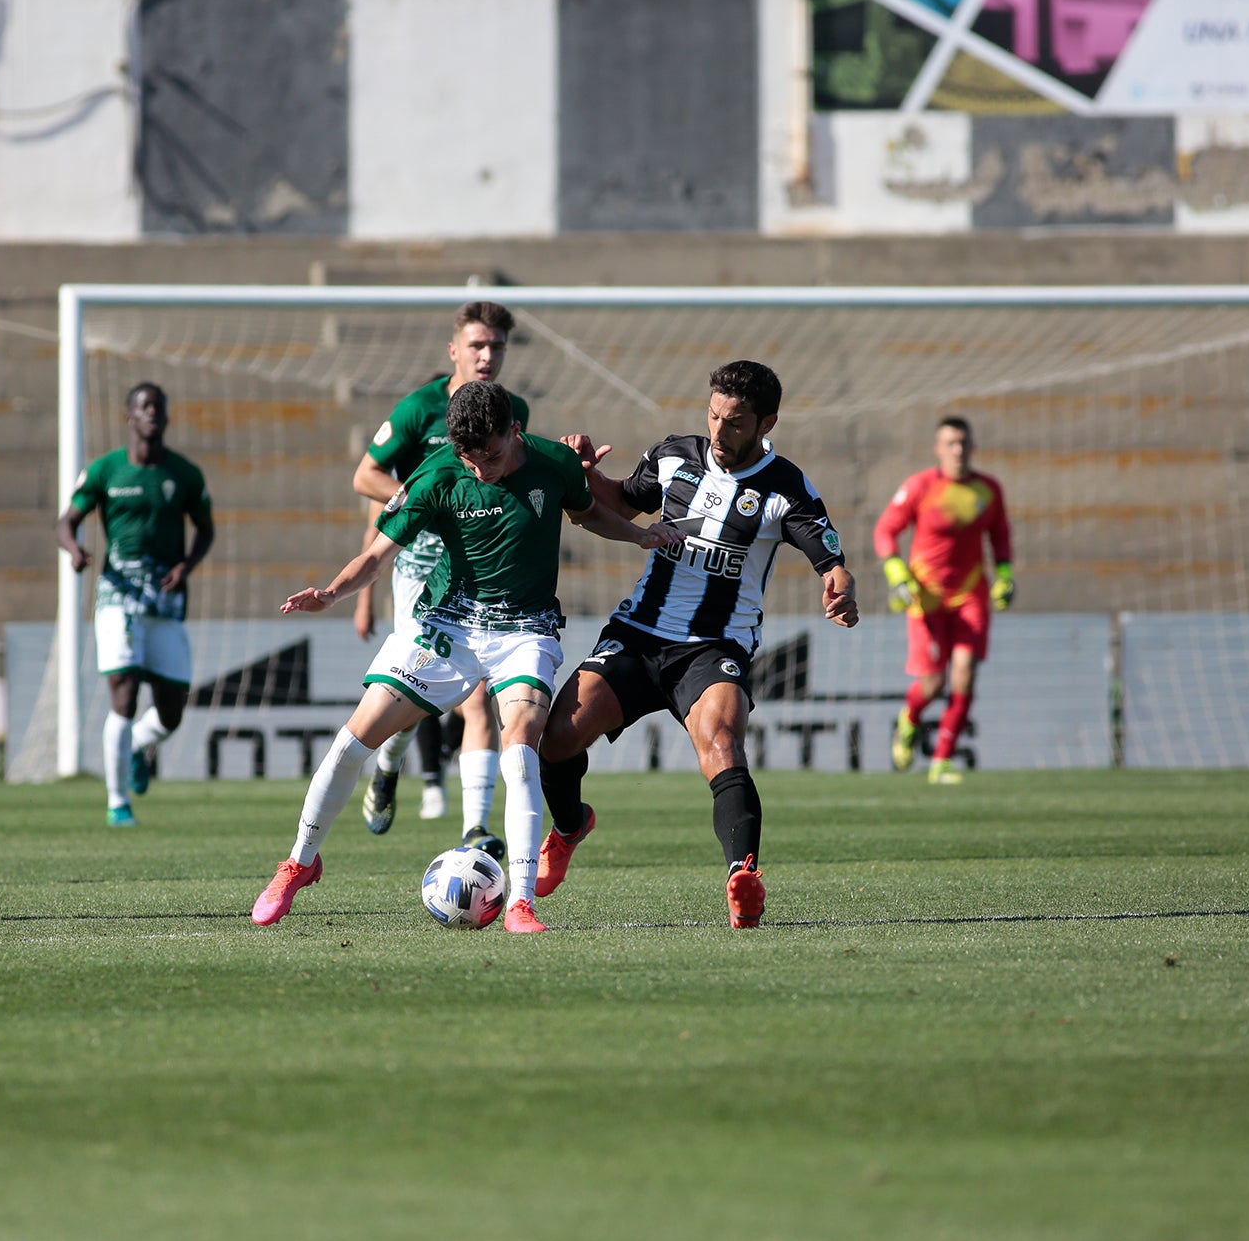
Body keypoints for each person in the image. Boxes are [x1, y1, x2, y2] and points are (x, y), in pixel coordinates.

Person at [252, 380, 683, 933]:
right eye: (471, 460)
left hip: (525, 630)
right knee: (351, 743)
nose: (482, 470)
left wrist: (638, 536)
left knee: (521, 744)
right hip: (446, 625)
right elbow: (378, 556)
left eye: (494, 457)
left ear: (515, 431)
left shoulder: (552, 462)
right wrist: (331, 593)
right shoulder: (436, 474)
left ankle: (521, 901)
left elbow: (587, 514)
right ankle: (299, 863)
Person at [536, 360, 858, 929]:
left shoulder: (785, 486)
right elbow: (618, 502)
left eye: (735, 423)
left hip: (715, 646)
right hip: (638, 634)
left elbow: (829, 561)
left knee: (722, 743)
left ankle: (743, 876)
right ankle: (567, 828)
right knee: (556, 738)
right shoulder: (673, 456)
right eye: (713, 415)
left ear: (766, 423)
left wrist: (840, 584)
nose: (718, 431)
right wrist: (583, 474)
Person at [350, 301, 526, 853]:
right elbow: (365, 475)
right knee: (411, 702)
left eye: (496, 346)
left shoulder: (514, 409)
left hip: (478, 572)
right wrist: (422, 503)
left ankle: (475, 827)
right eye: (477, 345)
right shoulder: (418, 408)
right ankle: (389, 764)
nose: (487, 355)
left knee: (478, 699)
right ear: (454, 350)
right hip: (421, 572)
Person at [57, 383, 216, 826]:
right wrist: (74, 550)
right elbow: (66, 522)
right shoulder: (106, 470)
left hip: (164, 598)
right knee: (123, 697)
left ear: (165, 417)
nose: (152, 414)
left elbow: (205, 529)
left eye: (158, 408)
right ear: (129, 416)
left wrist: (187, 565)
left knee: (171, 712)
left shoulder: (184, 474)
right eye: (144, 407)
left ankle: (138, 749)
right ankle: (117, 802)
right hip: (118, 597)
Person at [872, 415, 1012, 784]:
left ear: (972, 446)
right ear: (938, 449)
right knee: (934, 683)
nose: (958, 450)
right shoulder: (921, 486)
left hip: (970, 594)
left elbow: (1000, 537)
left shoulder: (988, 490)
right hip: (927, 596)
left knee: (964, 673)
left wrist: (1005, 576)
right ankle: (910, 718)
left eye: (963, 443)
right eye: (950, 443)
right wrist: (897, 574)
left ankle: (941, 762)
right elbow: (886, 530)